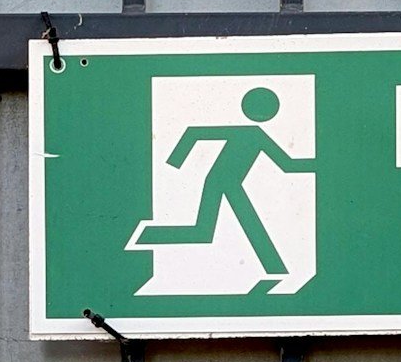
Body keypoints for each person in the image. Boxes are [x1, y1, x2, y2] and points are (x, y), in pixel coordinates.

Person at [134, 86, 314, 277]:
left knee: (203, 231)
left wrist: (319, 164)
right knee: (230, 225)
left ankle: (148, 236)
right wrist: (175, 161)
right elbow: (195, 133)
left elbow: (286, 164)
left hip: (225, 182)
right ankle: (275, 267)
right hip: (221, 181)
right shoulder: (254, 134)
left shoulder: (256, 135)